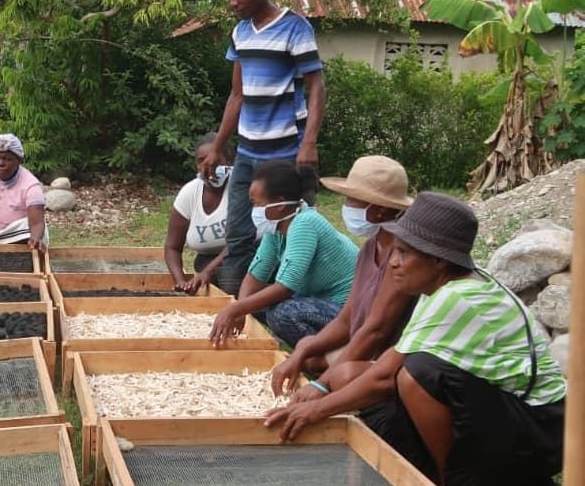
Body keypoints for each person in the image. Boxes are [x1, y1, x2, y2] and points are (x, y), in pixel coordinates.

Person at [265, 192, 566, 485]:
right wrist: (325, 384)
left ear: (438, 261)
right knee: (349, 374)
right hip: (500, 409)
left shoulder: (459, 297)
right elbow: (391, 358)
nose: (394, 262)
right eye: (395, 250)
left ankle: (453, 478)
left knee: (416, 375)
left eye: (404, 253)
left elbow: (385, 376)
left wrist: (317, 408)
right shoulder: (442, 286)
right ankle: (422, 467)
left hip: (539, 427)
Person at [201, 0, 327, 297]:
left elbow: (317, 87)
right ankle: (234, 306)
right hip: (248, 151)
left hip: (287, 149)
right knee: (239, 234)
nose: (232, 2)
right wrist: (217, 147)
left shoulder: (295, 28)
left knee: (292, 229)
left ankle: (295, 302)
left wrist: (310, 143)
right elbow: (237, 95)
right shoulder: (240, 33)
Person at [270, 156, 418, 398]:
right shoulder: (370, 248)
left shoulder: (400, 258)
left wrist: (323, 384)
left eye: (351, 200)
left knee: (344, 375)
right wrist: (301, 353)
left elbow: (376, 331)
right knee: (306, 349)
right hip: (365, 345)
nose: (345, 205)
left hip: (390, 355)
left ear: (378, 209)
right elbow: (346, 320)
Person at [209, 160, 357, 347]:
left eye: (256, 204)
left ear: (279, 204)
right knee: (255, 302)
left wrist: (235, 309)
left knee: (281, 314)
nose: (254, 210)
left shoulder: (305, 223)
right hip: (317, 298)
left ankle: (320, 352)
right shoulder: (276, 229)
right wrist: (240, 309)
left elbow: (285, 288)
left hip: (346, 308)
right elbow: (255, 276)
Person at [164, 132, 233, 294]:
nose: (207, 165)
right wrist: (180, 282)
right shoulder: (190, 192)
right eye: (201, 161)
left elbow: (241, 241)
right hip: (206, 261)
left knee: (230, 274)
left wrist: (208, 272)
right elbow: (172, 247)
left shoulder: (241, 187)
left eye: (214, 160)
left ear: (228, 162)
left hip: (241, 258)